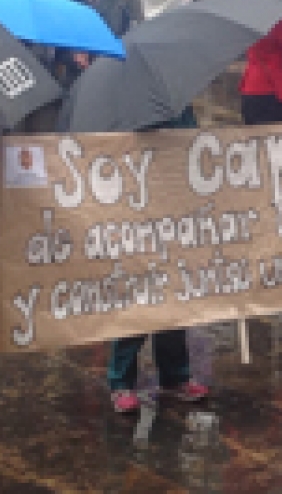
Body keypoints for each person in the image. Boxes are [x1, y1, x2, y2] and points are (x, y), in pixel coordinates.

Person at [108, 106, 209, 414]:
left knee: (173, 296)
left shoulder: (179, 106)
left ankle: (175, 376)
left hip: (175, 209)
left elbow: (192, 145)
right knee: (138, 297)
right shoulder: (118, 106)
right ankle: (121, 381)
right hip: (134, 210)